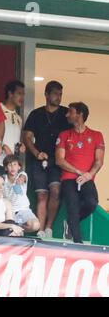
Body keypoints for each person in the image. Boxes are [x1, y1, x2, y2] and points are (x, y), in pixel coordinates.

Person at [23, 80, 72, 238]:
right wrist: (37, 153)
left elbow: (76, 131)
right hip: (38, 160)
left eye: (60, 94)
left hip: (58, 162)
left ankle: (49, 228)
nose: (59, 97)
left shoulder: (66, 114)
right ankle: (40, 230)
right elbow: (27, 137)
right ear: (46, 94)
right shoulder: (36, 114)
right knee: (41, 195)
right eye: (55, 94)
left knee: (55, 191)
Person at [56, 102, 104, 243]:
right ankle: (78, 243)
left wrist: (89, 175)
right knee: (73, 206)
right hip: (69, 178)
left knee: (92, 203)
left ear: (80, 115)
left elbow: (99, 161)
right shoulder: (64, 135)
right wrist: (78, 172)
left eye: (70, 112)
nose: (67, 115)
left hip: (87, 178)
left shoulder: (96, 135)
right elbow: (59, 160)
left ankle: (71, 222)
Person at [0, 80, 26, 177]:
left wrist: (21, 145)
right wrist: (2, 146)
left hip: (13, 166)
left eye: (23, 94)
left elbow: (16, 141)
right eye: (19, 93)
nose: (22, 97)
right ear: (10, 93)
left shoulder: (19, 118)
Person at [2, 155, 40, 233]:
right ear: (6, 168)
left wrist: (21, 179)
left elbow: (23, 177)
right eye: (9, 165)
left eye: (15, 164)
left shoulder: (22, 175)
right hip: (9, 212)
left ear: (19, 167)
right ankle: (14, 229)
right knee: (8, 231)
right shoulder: (3, 178)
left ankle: (19, 229)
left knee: (36, 225)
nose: (12, 167)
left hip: (23, 210)